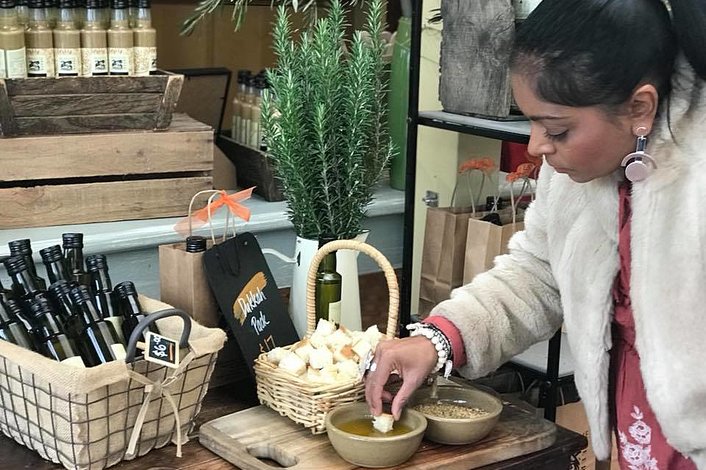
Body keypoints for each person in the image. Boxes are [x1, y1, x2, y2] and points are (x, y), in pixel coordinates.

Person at [365, 0, 706, 468]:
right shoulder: (573, 179)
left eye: (557, 130)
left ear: (639, 108)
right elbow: (539, 270)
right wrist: (440, 339)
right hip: (636, 418)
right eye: (530, 121)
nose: (535, 146)